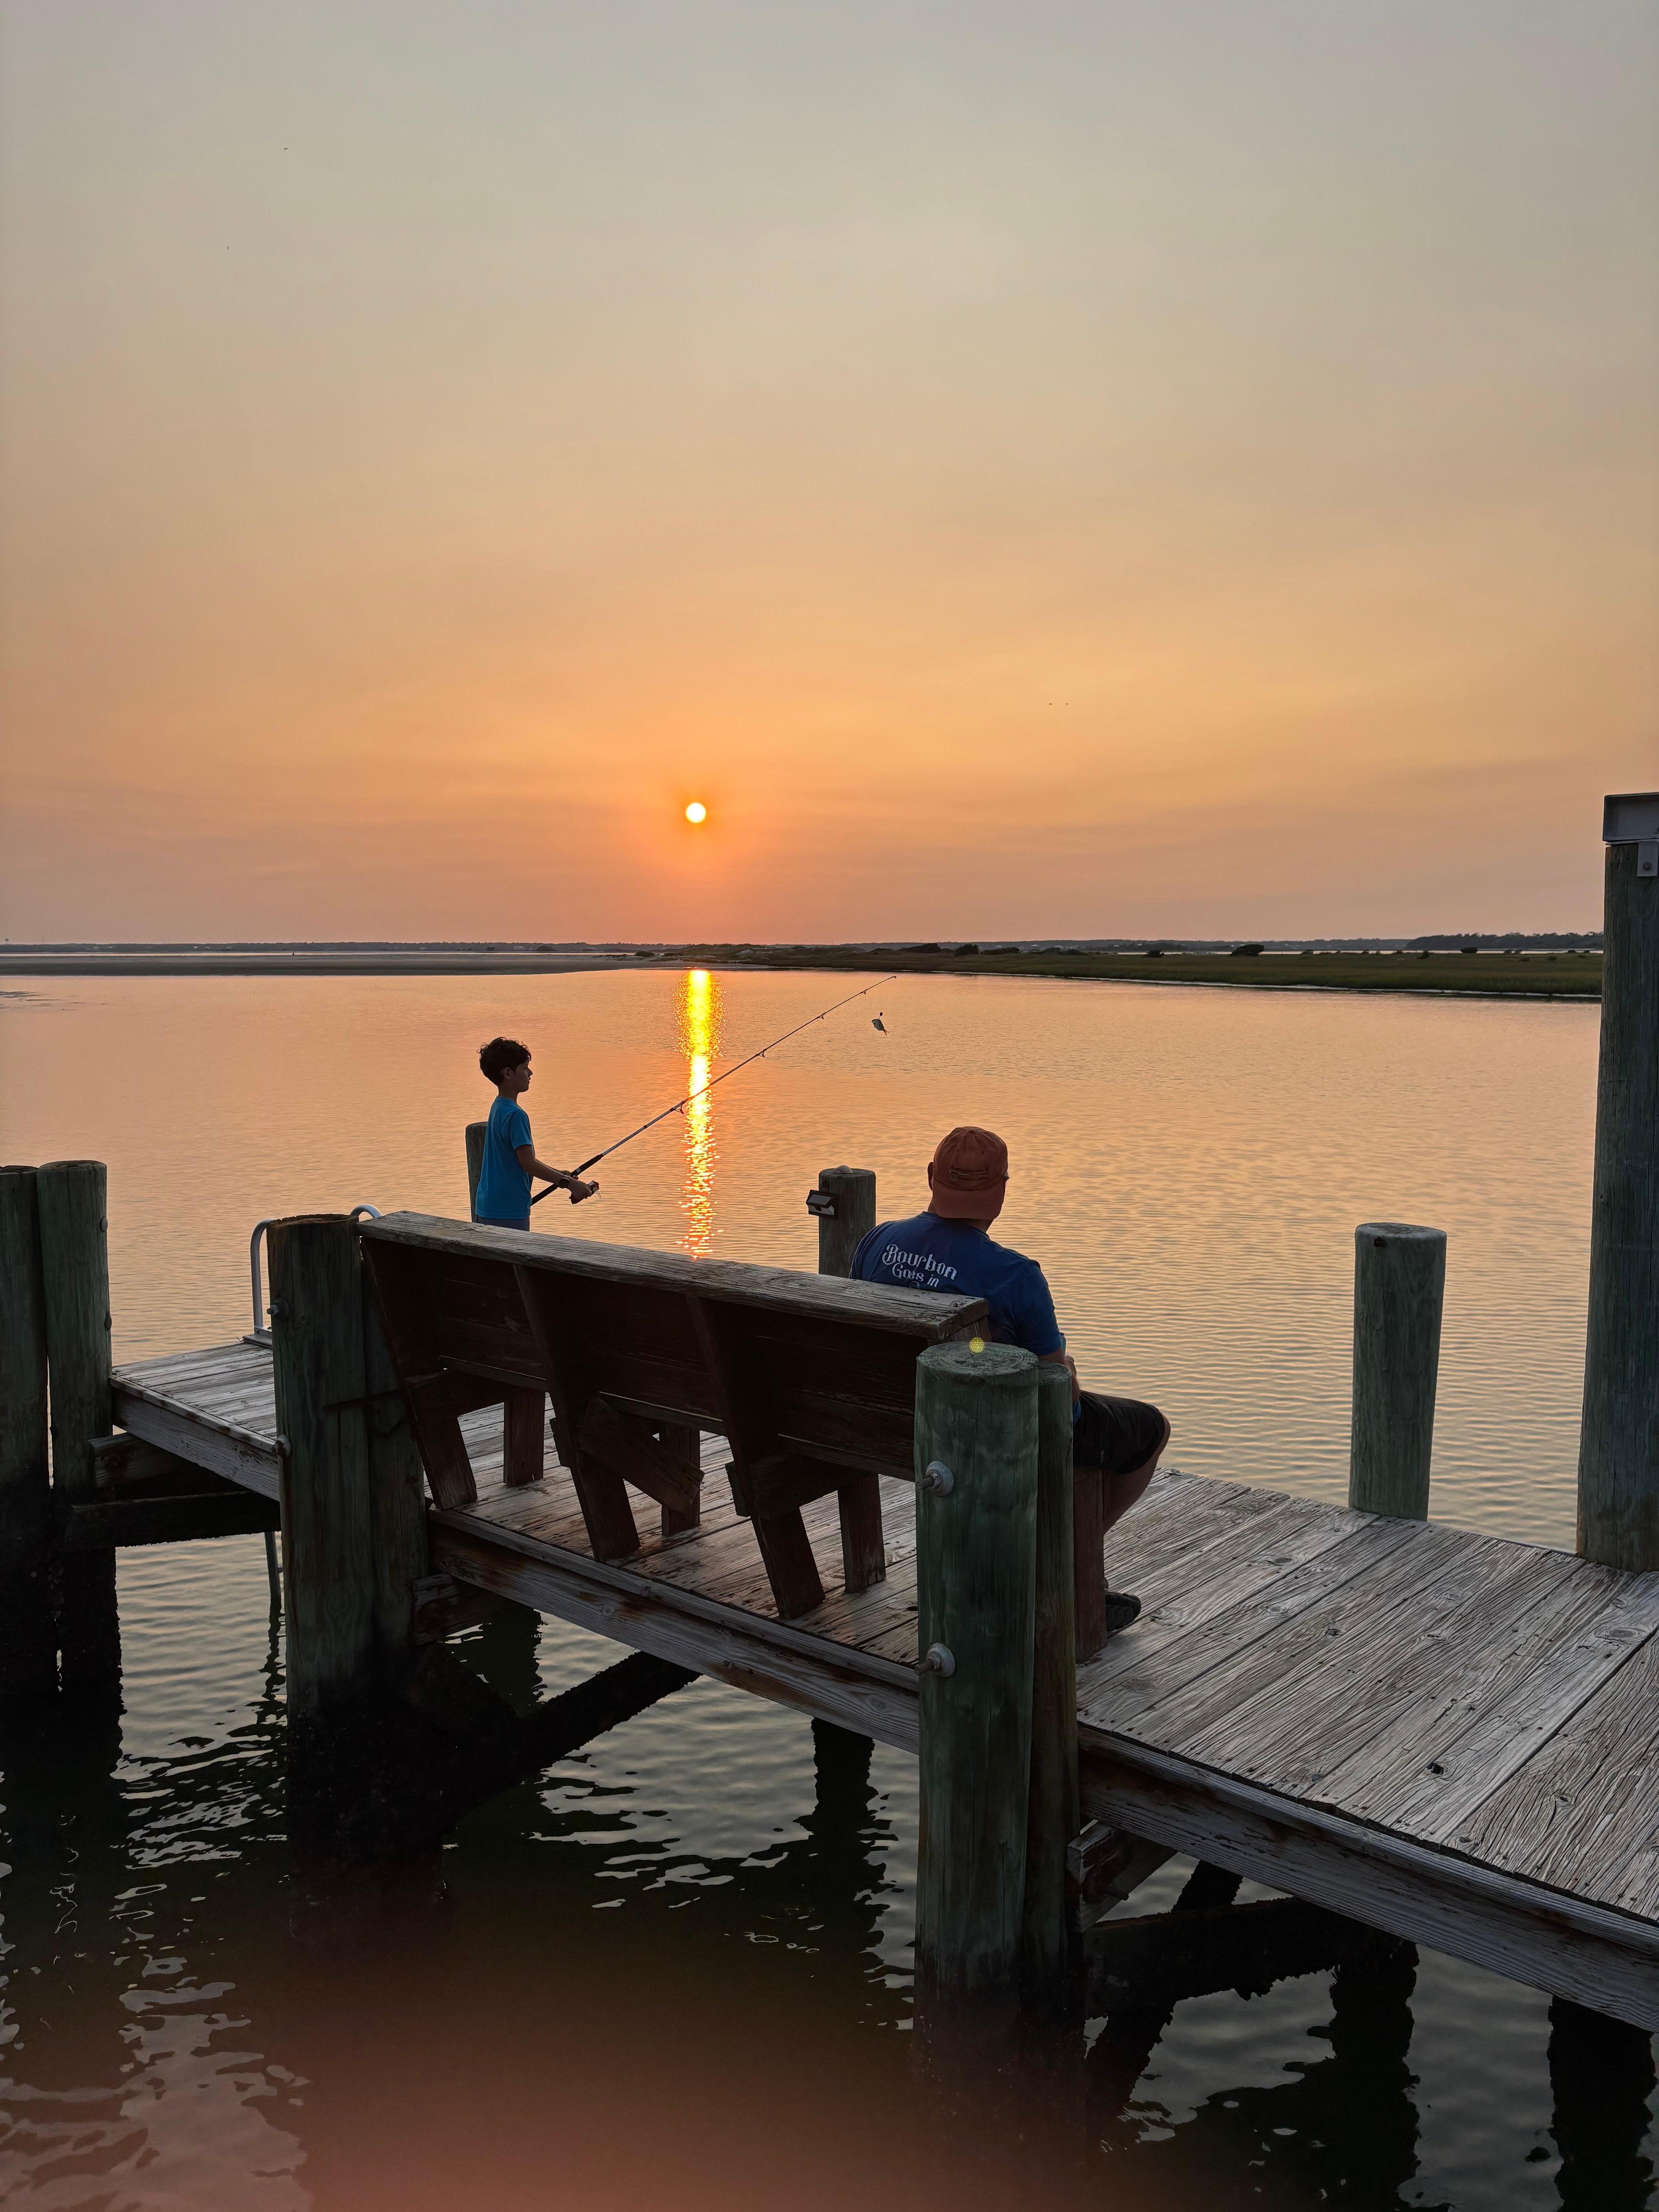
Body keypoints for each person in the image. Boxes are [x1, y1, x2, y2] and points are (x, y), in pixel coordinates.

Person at [850, 1124, 1168, 1645]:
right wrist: (1069, 1379)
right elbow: (1057, 1403)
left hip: (893, 1425)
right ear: (1001, 1189)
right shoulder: (1015, 1275)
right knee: (1148, 1429)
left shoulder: (877, 1243)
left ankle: (1056, 1563)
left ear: (932, 1177)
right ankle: (1060, 1565)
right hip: (993, 1443)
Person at [472, 1036, 597, 1229]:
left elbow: (521, 1159)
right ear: (508, 1073)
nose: (531, 1073)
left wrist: (559, 1174)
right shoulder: (516, 1115)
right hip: (509, 1211)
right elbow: (528, 1163)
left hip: (488, 1205)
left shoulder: (498, 1107)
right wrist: (569, 1184)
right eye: (524, 1068)